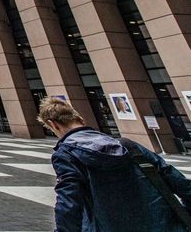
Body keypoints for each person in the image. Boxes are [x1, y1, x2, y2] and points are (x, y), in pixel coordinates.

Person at [38, 97, 191, 231]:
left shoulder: (67, 154)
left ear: (53, 125)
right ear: (80, 119)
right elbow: (178, 181)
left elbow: (68, 203)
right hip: (164, 223)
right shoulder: (128, 145)